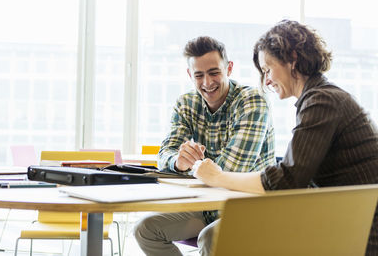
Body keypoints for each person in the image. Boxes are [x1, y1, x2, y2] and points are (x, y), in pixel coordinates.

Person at [193, 20, 378, 255]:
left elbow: (285, 180)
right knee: (216, 232)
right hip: (346, 219)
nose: (267, 80)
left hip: (361, 231)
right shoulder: (320, 97)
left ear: (292, 58)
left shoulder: (321, 101)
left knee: (216, 235)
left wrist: (218, 177)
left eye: (268, 69)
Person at [134, 36, 276, 256]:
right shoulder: (186, 103)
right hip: (205, 207)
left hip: (249, 208)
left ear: (229, 68)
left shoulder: (252, 100)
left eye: (214, 73)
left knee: (211, 238)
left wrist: (194, 168)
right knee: (144, 229)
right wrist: (178, 163)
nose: (207, 83)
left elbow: (232, 169)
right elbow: (164, 156)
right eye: (199, 75)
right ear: (190, 75)